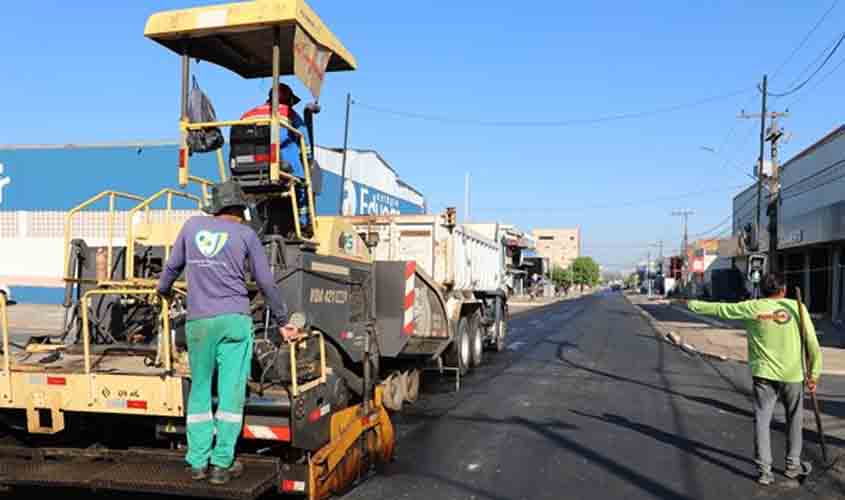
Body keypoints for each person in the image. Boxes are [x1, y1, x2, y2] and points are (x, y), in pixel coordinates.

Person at [157, 180, 301, 485]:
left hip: (199, 323)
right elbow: (265, 281)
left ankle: (197, 463)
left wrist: (163, 291)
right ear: (240, 209)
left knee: (199, 389)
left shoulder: (191, 226)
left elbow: (171, 268)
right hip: (235, 320)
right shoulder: (246, 234)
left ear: (215, 207)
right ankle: (221, 465)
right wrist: (282, 320)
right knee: (231, 393)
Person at [680, 274, 822, 485]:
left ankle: (765, 471)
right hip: (793, 375)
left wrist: (690, 303)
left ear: (761, 290)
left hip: (763, 375)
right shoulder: (797, 308)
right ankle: (793, 466)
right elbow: (812, 344)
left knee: (762, 421)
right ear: (783, 290)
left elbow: (720, 309)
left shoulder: (753, 307)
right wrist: (814, 374)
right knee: (794, 419)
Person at [241, 82, 310, 178]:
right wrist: (308, 158)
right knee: (291, 145)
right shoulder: (289, 113)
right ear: (288, 100)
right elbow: (305, 141)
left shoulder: (247, 115)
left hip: (246, 166)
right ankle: (300, 183)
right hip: (280, 165)